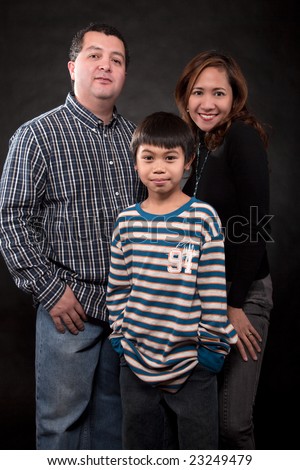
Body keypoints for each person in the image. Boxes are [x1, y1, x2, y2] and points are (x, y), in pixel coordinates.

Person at [0, 22, 145, 450]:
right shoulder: (36, 136)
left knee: (113, 428)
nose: (106, 65)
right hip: (69, 308)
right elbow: (11, 219)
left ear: (124, 75)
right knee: (61, 427)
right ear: (72, 67)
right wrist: (50, 290)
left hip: (125, 309)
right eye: (94, 56)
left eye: (116, 60)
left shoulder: (136, 140)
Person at [106, 111, 237, 450]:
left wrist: (210, 347)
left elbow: (212, 288)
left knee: (199, 446)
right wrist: (120, 336)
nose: (159, 167)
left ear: (188, 162)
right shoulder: (126, 222)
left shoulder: (202, 217)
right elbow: (119, 287)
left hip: (191, 359)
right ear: (135, 163)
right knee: (139, 446)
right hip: (136, 358)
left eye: (170, 157)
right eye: (148, 157)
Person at [175, 51, 273, 449]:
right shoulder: (194, 143)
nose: (207, 103)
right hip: (199, 297)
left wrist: (234, 305)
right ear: (185, 95)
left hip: (241, 293)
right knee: (199, 417)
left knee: (232, 422)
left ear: (235, 97)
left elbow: (255, 223)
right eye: (198, 92)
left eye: (219, 93)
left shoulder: (241, 137)